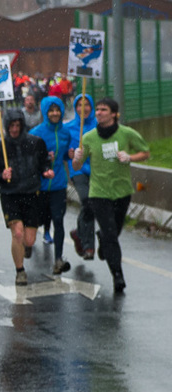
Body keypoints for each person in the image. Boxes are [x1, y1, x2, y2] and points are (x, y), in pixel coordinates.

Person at [71, 97, 149, 293]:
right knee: (112, 235)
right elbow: (77, 167)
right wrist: (76, 158)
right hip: (98, 192)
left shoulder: (126, 133)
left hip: (122, 191)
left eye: (103, 110)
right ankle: (118, 275)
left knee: (114, 233)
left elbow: (145, 152)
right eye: (97, 109)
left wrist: (129, 157)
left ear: (114, 114)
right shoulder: (88, 137)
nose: (98, 112)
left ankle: (103, 240)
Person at [0, 109, 53, 286]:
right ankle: (20, 271)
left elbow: (44, 161)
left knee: (29, 239)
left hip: (32, 192)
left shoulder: (35, 143)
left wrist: (46, 170)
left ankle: (27, 246)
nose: (14, 129)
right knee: (17, 233)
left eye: (17, 125)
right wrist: (1, 174)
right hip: (10, 194)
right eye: (11, 126)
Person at [29, 96, 72, 274]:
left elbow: (66, 156)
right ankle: (27, 243)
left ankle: (58, 259)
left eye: (58, 110)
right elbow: (29, 160)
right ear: (45, 112)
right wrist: (44, 162)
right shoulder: (36, 133)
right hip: (38, 185)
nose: (55, 114)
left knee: (58, 221)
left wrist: (70, 155)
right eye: (51, 110)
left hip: (58, 184)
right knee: (36, 220)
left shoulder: (65, 133)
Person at [67, 93, 97, 260]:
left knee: (92, 205)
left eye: (87, 105)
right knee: (87, 200)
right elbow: (64, 150)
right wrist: (69, 153)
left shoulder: (99, 127)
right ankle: (89, 247)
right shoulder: (70, 127)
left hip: (97, 171)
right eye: (79, 105)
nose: (83, 108)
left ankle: (79, 232)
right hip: (78, 170)